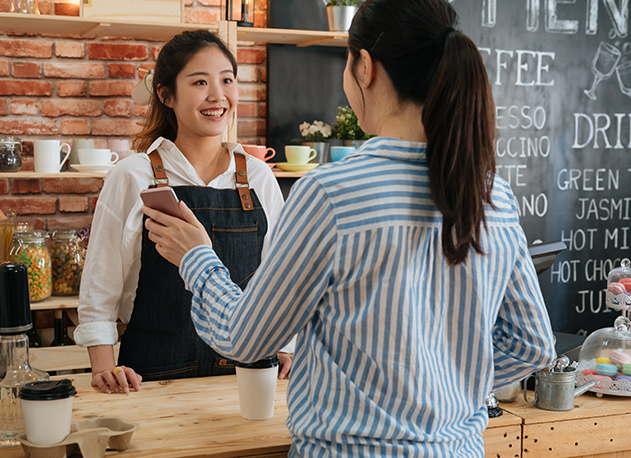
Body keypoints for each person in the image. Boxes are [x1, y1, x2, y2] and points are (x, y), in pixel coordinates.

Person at [142, 1, 556, 456]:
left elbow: (245, 338)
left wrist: (197, 258)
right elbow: (532, 344)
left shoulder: (331, 193)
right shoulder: (492, 196)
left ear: (364, 66)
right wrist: (444, 382)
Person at [74, 30, 293, 395]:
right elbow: (100, 289)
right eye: (200, 82)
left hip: (245, 380)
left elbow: (282, 277)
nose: (217, 95)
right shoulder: (133, 176)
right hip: (150, 379)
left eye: (227, 80)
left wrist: (285, 345)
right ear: (166, 94)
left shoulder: (257, 176)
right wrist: (103, 369)